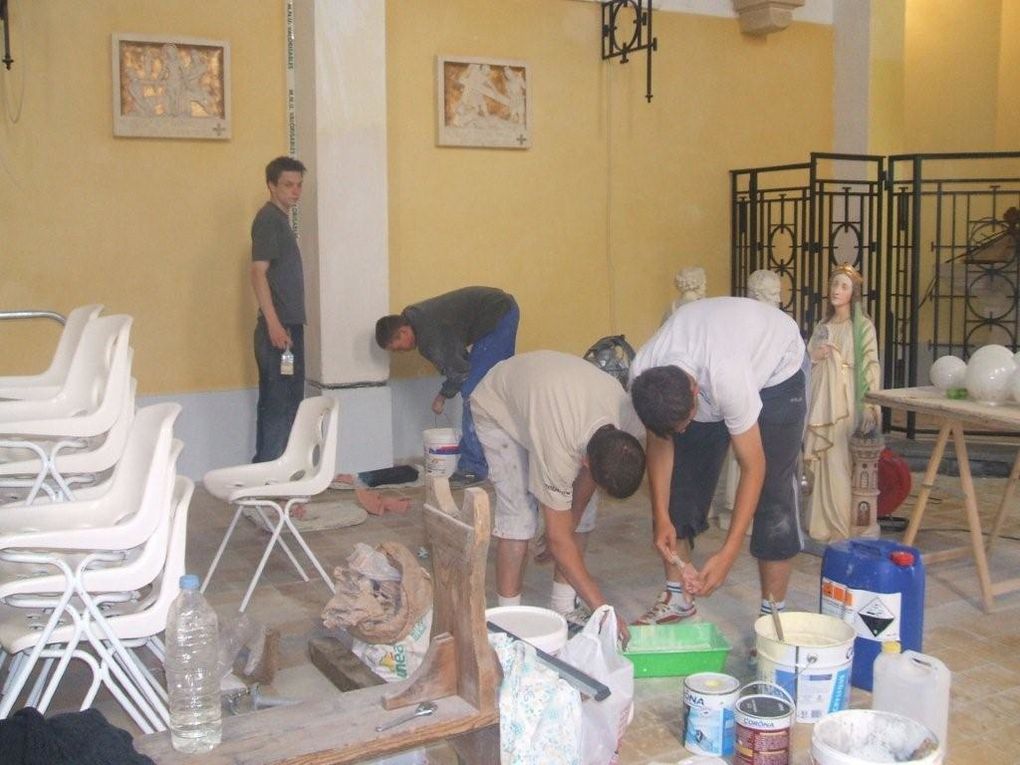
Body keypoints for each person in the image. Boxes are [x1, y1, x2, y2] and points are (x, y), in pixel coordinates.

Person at [628, 297, 806, 631]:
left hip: (777, 369)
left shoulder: (727, 376)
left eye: (685, 422)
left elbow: (753, 466)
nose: (682, 431)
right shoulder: (644, 374)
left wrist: (728, 553)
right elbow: (660, 442)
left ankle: (772, 618)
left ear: (695, 391)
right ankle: (677, 598)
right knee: (680, 485)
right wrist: (663, 517)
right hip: (715, 354)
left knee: (774, 496)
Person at [469, 351, 645, 639]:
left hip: (548, 400)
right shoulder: (560, 451)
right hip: (498, 406)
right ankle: (507, 620)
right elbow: (558, 538)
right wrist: (603, 610)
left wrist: (570, 521)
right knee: (519, 518)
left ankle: (564, 607)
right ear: (585, 461)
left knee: (582, 515)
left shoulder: (623, 413)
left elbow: (586, 484)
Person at [375, 286, 519, 484]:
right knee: (486, 388)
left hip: (498, 313)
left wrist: (442, 395)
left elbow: (460, 371)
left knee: (474, 393)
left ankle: (473, 468)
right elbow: (459, 361)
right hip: (495, 310)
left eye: (397, 347)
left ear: (403, 331)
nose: (401, 352)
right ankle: (497, 458)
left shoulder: (429, 336)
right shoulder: (417, 319)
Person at [803, 263, 881, 542]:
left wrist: (870, 403)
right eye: (834, 284)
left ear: (853, 293)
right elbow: (808, 361)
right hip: (822, 399)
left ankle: (841, 524)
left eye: (843, 286)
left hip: (845, 402)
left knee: (839, 461)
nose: (836, 290)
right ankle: (820, 522)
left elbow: (871, 365)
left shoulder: (862, 327)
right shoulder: (823, 326)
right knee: (822, 461)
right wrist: (815, 355)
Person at [250, 156, 307, 464]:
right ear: (271, 185)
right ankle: (272, 474)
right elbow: (258, 272)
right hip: (279, 328)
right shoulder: (269, 220)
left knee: (285, 401)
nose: (295, 191)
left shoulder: (280, 220)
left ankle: (274, 472)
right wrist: (273, 323)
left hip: (288, 325)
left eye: (299, 185)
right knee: (279, 404)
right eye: (288, 185)